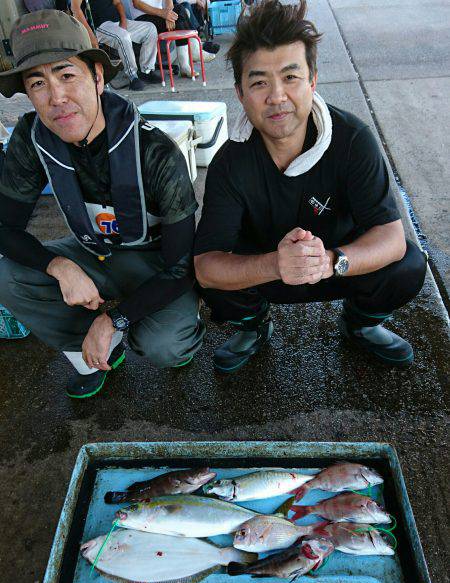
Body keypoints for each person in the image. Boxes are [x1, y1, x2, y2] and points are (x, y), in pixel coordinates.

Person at [194, 0, 427, 372]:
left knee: (409, 264)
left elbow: (392, 238)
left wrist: (330, 261)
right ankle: (254, 326)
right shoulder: (229, 163)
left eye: (290, 77)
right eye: (259, 82)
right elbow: (206, 266)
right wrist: (276, 264)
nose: (276, 96)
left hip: (339, 265)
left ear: (313, 81)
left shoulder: (353, 140)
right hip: (268, 272)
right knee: (208, 277)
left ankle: (361, 323)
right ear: (239, 93)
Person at [0, 10, 204, 398]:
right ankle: (93, 354)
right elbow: (4, 228)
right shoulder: (31, 139)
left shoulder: (156, 151)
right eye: (38, 83)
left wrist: (114, 319)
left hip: (157, 261)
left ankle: (170, 324)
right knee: (6, 275)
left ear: (97, 77)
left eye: (66, 75)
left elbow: (181, 265)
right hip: (93, 251)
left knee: (165, 346)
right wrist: (58, 266)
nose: (56, 97)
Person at [71, 0, 161, 89]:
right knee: (123, 36)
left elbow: (117, 2)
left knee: (150, 28)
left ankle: (146, 71)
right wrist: (90, 35)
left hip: (118, 22)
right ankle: (133, 77)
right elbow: (75, 9)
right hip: (100, 26)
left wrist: (123, 21)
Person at [121, 0, 217, 79]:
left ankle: (189, 59)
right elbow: (137, 4)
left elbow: (168, 1)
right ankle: (190, 56)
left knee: (180, 9)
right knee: (180, 12)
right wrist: (163, 13)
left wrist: (168, 13)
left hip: (160, 15)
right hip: (142, 18)